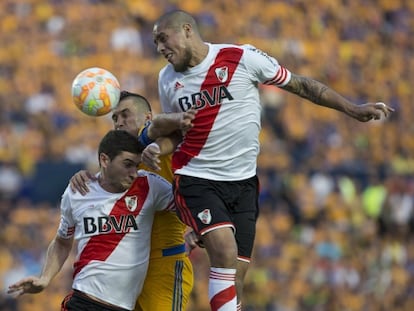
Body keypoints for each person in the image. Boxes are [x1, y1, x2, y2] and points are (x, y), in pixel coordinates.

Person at [145, 10, 395, 311]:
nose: (159, 48)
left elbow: (301, 85)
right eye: (155, 42)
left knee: (235, 281)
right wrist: (159, 147)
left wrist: (351, 109)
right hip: (196, 177)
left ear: (186, 30)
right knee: (223, 250)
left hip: (243, 183)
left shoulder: (242, 58)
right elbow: (178, 133)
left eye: (162, 38)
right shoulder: (167, 79)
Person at [7, 130, 177, 311]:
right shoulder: (77, 192)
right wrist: (45, 278)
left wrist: (195, 235)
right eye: (127, 164)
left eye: (136, 165)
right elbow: (62, 242)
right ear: (104, 160)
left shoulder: (149, 185)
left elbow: (187, 207)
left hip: (125, 306)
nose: (134, 173)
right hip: (84, 301)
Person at [69, 90, 196, 311]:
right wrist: (82, 176)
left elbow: (165, 125)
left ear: (147, 117)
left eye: (125, 115)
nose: (118, 122)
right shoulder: (123, 160)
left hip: (163, 263)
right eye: (115, 118)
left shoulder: (163, 144)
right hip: (125, 273)